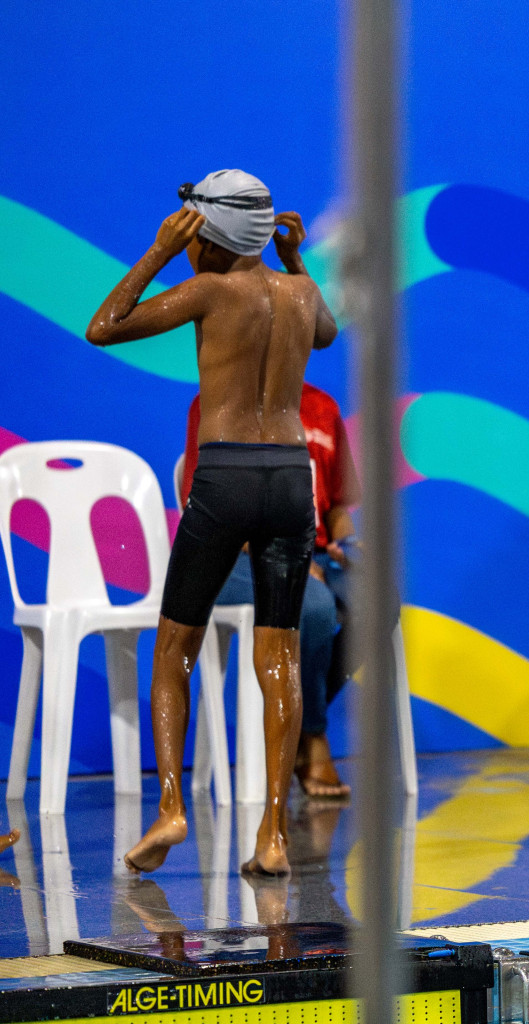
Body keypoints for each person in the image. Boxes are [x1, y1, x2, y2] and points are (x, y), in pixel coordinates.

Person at [86, 169, 337, 875]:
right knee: (279, 658)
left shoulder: (207, 290)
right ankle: (275, 835)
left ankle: (170, 809)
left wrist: (159, 253)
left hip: (225, 477)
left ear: (203, 234)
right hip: (292, 481)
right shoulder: (300, 292)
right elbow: (327, 334)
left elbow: (103, 328)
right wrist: (294, 262)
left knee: (174, 652)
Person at [181, 381, 360, 799]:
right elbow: (209, 510)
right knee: (312, 605)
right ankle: (312, 736)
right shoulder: (215, 401)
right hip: (232, 555)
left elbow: (335, 510)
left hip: (313, 552)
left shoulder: (323, 405)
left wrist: (350, 546)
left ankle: (292, 727)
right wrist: (290, 557)